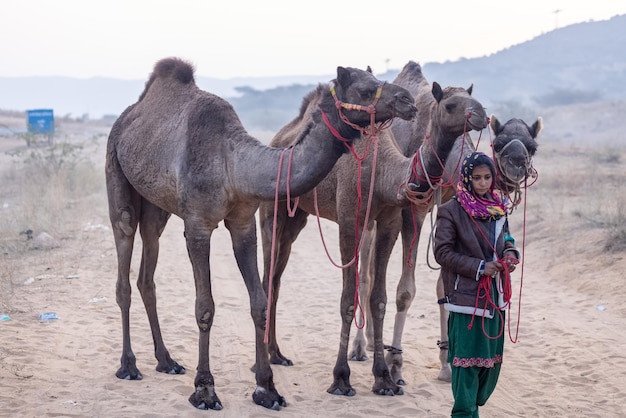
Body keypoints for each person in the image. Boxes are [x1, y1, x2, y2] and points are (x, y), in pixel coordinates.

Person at [434, 151, 520, 418]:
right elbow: (443, 253)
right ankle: (464, 413)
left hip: (495, 297)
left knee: (490, 365)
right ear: (467, 179)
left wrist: (510, 254)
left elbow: (506, 238)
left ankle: (472, 407)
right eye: (477, 178)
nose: (483, 183)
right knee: (465, 365)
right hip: (466, 299)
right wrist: (480, 267)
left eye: (487, 177)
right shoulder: (451, 211)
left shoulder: (499, 208)